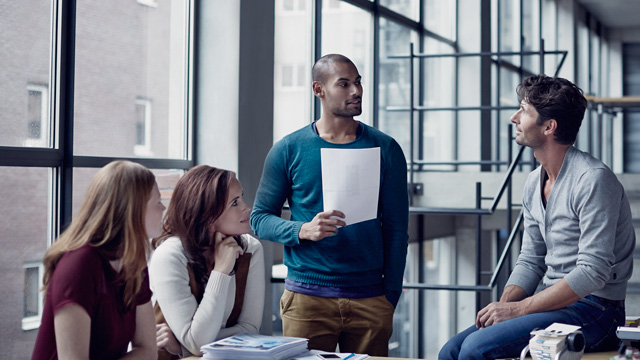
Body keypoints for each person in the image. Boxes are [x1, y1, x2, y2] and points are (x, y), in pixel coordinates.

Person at [439, 75, 636, 360]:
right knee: (451, 350)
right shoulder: (534, 181)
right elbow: (531, 258)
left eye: (524, 111)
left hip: (597, 311)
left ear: (549, 126)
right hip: (553, 304)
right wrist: (504, 307)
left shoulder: (593, 180)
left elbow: (593, 271)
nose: (514, 118)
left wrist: (518, 310)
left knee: (474, 349)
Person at [250, 54, 409, 356]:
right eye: (344, 84)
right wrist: (302, 230)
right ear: (318, 89)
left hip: (371, 298)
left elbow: (397, 228)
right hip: (307, 299)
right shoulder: (288, 149)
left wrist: (390, 295)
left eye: (358, 82)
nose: (357, 91)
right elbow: (259, 218)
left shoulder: (385, 148)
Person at [32, 160, 163, 360]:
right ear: (132, 210)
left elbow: (148, 351)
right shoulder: (79, 266)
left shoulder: (133, 261)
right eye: (157, 202)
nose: (163, 208)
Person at [149, 165, 264, 358]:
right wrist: (221, 271)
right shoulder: (169, 255)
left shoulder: (250, 249)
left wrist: (182, 346)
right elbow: (198, 342)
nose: (247, 207)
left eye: (241, 197)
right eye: (235, 203)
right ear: (206, 215)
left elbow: (249, 330)